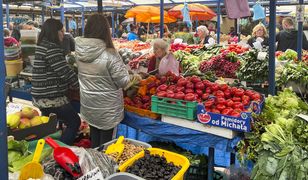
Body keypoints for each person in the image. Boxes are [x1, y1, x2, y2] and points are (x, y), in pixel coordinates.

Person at [75, 14, 130, 148]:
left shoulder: (79, 52)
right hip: (108, 108)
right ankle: (103, 167)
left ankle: (95, 165)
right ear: (105, 30)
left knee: (95, 140)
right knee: (107, 145)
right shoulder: (110, 54)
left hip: (89, 104)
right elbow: (124, 82)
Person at [31, 19, 80, 146]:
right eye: (61, 31)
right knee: (74, 122)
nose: (63, 34)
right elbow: (65, 72)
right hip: (51, 98)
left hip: (40, 96)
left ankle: (50, 148)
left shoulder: (42, 45)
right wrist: (79, 85)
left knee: (50, 126)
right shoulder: (51, 48)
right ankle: (60, 150)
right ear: (55, 32)